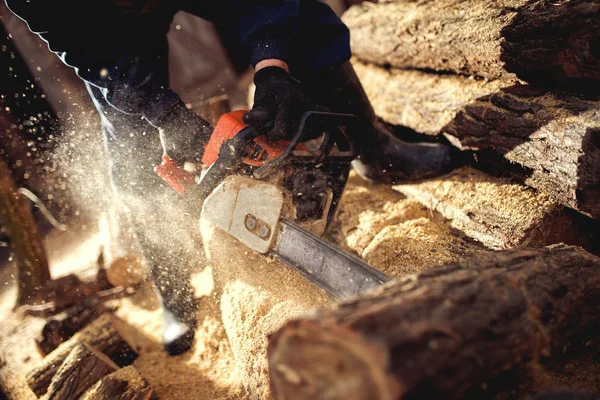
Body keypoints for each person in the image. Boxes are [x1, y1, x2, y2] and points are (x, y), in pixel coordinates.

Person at [4, 0, 461, 355]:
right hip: (102, 30)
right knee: (129, 143)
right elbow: (91, 54)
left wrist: (272, 69)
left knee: (305, 20)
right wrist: (163, 113)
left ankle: (376, 149)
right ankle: (176, 294)